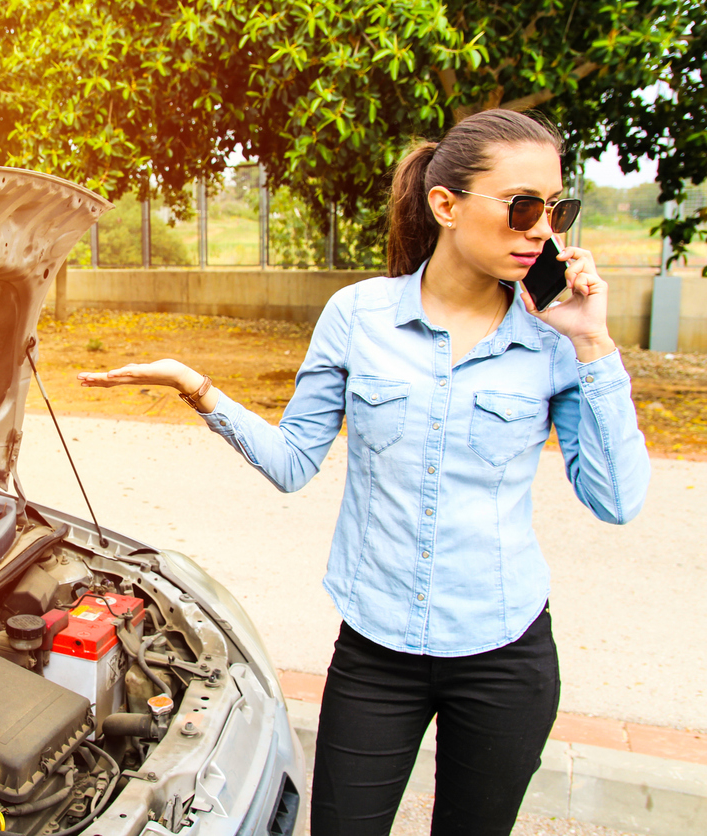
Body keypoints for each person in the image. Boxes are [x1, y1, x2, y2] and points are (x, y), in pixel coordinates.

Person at [77, 110, 650, 836]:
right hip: (378, 652)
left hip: (506, 656)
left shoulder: (554, 338)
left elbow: (618, 499)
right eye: (523, 207)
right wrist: (195, 386)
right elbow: (292, 463)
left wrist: (593, 339)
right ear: (445, 205)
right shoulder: (358, 316)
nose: (543, 231)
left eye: (556, 209)